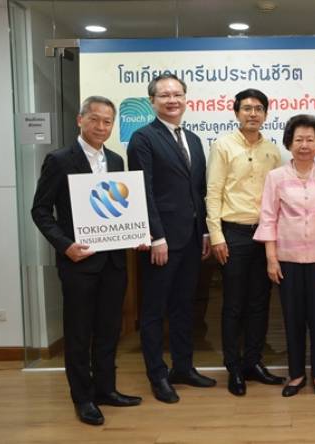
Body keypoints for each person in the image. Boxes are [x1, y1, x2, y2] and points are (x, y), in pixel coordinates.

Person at [31, 96, 142, 425]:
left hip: (114, 263)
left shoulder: (116, 160)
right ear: (80, 120)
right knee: (79, 333)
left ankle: (106, 389)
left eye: (108, 121)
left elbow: (121, 209)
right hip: (78, 263)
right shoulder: (59, 160)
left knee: (109, 330)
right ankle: (82, 398)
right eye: (94, 119)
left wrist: (134, 232)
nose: (101, 126)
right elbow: (40, 210)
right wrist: (65, 246)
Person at [127, 73, 215, 404]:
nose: (172, 100)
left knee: (184, 306)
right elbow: (143, 190)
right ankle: (157, 375)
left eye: (177, 94)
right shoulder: (143, 138)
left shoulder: (192, 138)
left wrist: (204, 230)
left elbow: (199, 190)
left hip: (191, 239)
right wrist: (156, 237)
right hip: (161, 242)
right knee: (154, 310)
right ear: (152, 101)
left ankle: (183, 367)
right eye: (164, 95)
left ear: (185, 98)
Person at [254, 114, 315, 398]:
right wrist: (271, 258)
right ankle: (296, 374)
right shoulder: (276, 177)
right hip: (287, 259)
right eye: (299, 139)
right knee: (292, 318)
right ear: (289, 143)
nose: (304, 145)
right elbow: (269, 218)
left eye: (310, 139)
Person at [205, 88, 284, 396]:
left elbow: (277, 197)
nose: (253, 113)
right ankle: (234, 367)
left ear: (266, 114)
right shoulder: (223, 145)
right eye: (247, 108)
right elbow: (213, 192)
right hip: (233, 234)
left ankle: (253, 362)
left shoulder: (273, 151)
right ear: (236, 112)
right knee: (234, 304)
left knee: (259, 303)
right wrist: (217, 236)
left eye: (259, 108)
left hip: (264, 234)